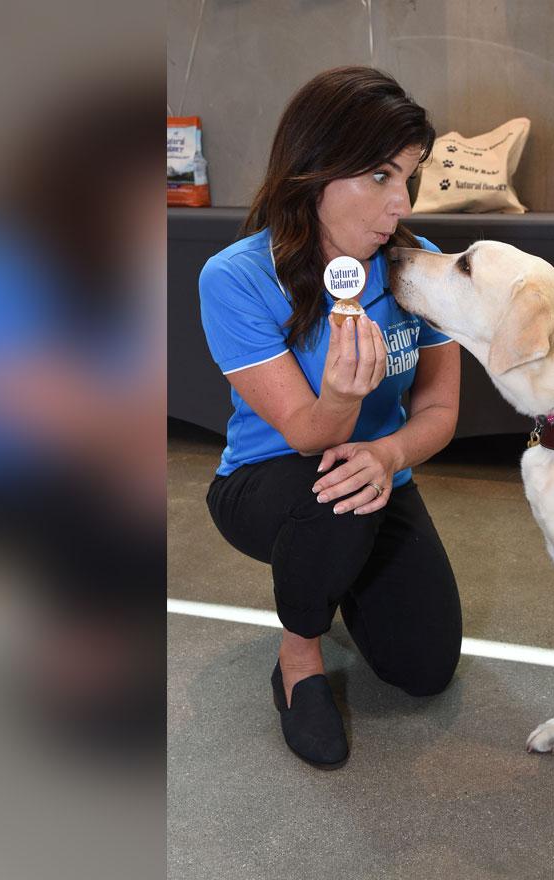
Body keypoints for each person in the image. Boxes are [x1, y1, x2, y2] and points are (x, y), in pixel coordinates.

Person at [199, 67, 463, 769]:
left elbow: (440, 410)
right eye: (380, 175)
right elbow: (308, 435)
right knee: (332, 500)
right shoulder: (236, 277)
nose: (399, 204)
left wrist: (389, 456)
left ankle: (332, 571)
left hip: (377, 478)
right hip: (269, 483)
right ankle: (299, 658)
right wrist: (344, 399)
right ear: (314, 171)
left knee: (425, 669)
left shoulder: (418, 267)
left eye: (409, 177)